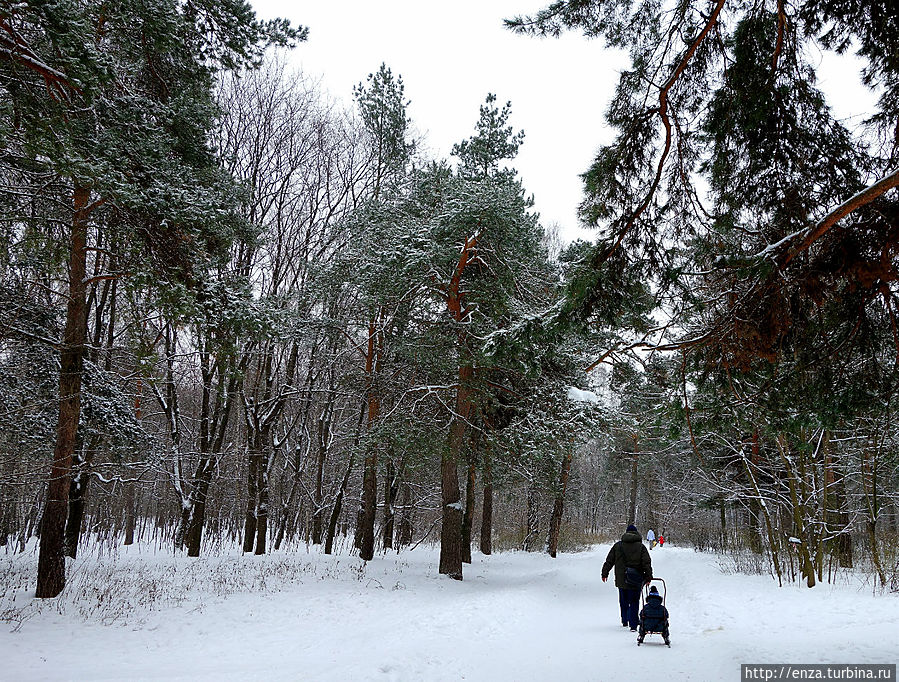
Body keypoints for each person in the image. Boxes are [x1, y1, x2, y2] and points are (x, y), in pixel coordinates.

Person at [601, 524, 653, 631]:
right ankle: (633, 624)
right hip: (636, 578)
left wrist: (604, 573)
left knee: (623, 600)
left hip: (621, 579)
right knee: (634, 601)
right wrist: (648, 577)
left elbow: (609, 560)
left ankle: (625, 620)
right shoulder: (641, 547)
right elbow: (646, 563)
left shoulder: (618, 546)